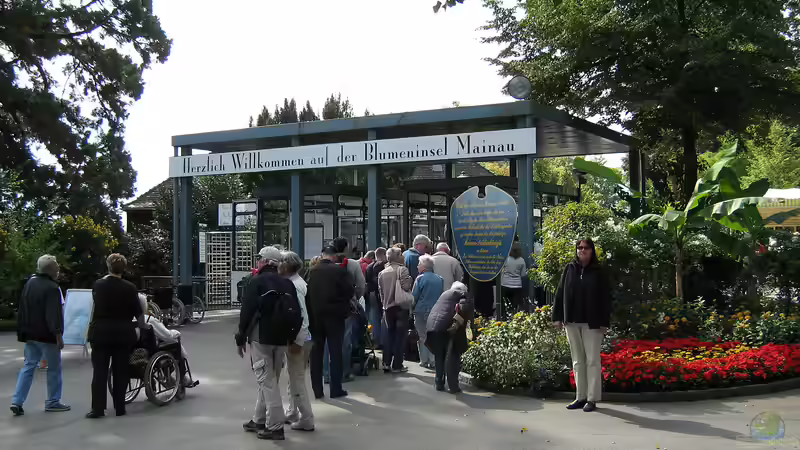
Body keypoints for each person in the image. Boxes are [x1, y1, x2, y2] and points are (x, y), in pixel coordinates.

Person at [237, 246, 301, 441]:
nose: (257, 261)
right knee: (269, 379)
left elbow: (246, 313)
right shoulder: (287, 284)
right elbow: (297, 313)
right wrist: (291, 337)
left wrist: (240, 337)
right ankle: (259, 419)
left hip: (261, 338)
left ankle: (275, 426)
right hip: (281, 339)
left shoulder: (257, 282)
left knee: (267, 381)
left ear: (265, 261)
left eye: (259, 258)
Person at [552, 238, 611, 413]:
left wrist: (604, 322)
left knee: (592, 360)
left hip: (592, 323)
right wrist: (558, 317)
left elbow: (606, 298)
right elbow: (560, 293)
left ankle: (592, 399)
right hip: (572, 321)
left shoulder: (599, 272)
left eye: (585, 248)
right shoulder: (569, 269)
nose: (582, 250)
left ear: (592, 251)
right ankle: (580, 397)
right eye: (579, 247)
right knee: (577, 361)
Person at [87, 254, 147, 419]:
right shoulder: (130, 288)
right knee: (121, 372)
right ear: (124, 268)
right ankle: (120, 408)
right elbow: (139, 313)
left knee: (99, 372)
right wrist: (142, 328)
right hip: (123, 334)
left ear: (108, 266)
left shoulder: (98, 285)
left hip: (101, 334)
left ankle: (98, 409)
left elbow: (93, 309)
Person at [11, 255, 70, 416]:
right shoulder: (52, 288)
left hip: (30, 333)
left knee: (28, 366)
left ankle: (17, 400)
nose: (58, 270)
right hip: (47, 336)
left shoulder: (30, 283)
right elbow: (53, 315)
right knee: (54, 369)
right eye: (56, 267)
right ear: (50, 270)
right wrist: (58, 336)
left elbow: (23, 308)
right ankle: (53, 401)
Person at [306, 245, 354, 399]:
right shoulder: (339, 271)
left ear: (322, 255)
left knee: (316, 354)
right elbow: (349, 291)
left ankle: (317, 390)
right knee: (335, 352)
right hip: (335, 316)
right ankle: (335, 389)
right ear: (334, 256)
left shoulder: (311, 271)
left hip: (315, 317)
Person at [278, 251, 315, 432]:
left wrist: (297, 341)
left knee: (297, 378)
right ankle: (293, 411)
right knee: (292, 376)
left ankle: (306, 417)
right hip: (302, 337)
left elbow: (303, 316)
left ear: (286, 265)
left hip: (299, 339)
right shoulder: (298, 283)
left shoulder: (294, 286)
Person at [323, 237, 366, 383]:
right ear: (346, 248)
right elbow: (361, 285)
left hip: (326, 307)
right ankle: (344, 373)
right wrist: (354, 298)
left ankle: (327, 373)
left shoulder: (324, 264)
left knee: (327, 341)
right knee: (345, 341)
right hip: (346, 307)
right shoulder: (353, 264)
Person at [135, 294, 194, 386]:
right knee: (175, 342)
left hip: (137, 349)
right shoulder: (149, 319)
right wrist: (177, 333)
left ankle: (168, 376)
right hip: (151, 351)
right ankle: (182, 377)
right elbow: (167, 335)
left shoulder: (130, 320)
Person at [426, 282, 474, 394]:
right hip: (447, 328)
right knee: (453, 356)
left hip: (433, 327)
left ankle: (439, 383)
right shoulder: (463, 295)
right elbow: (464, 308)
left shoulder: (444, 294)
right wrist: (456, 324)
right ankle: (453, 386)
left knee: (440, 355)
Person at [378, 247, 413, 373]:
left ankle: (386, 363)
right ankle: (397, 365)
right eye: (401, 254)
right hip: (400, 307)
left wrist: (384, 304)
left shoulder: (382, 273)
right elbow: (406, 286)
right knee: (400, 336)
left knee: (389, 335)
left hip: (387, 308)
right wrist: (410, 279)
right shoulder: (402, 269)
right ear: (398, 256)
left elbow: (381, 292)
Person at [411, 255, 444, 369]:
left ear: (424, 267)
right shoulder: (440, 279)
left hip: (421, 310)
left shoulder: (420, 279)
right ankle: (433, 360)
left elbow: (414, 296)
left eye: (419, 264)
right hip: (435, 311)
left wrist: (411, 309)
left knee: (422, 336)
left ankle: (424, 360)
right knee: (433, 335)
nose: (417, 266)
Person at [365, 247, 387, 348]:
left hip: (372, 293)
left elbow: (367, 281)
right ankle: (383, 340)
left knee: (374, 318)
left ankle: (375, 339)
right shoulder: (384, 266)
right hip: (382, 293)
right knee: (383, 317)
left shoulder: (369, 267)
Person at [501, 242, 528, 316]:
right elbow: (523, 274)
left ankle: (504, 317)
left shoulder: (506, 259)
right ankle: (514, 318)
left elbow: (501, 270)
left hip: (505, 284)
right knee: (515, 306)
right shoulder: (521, 260)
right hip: (517, 286)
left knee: (504, 303)